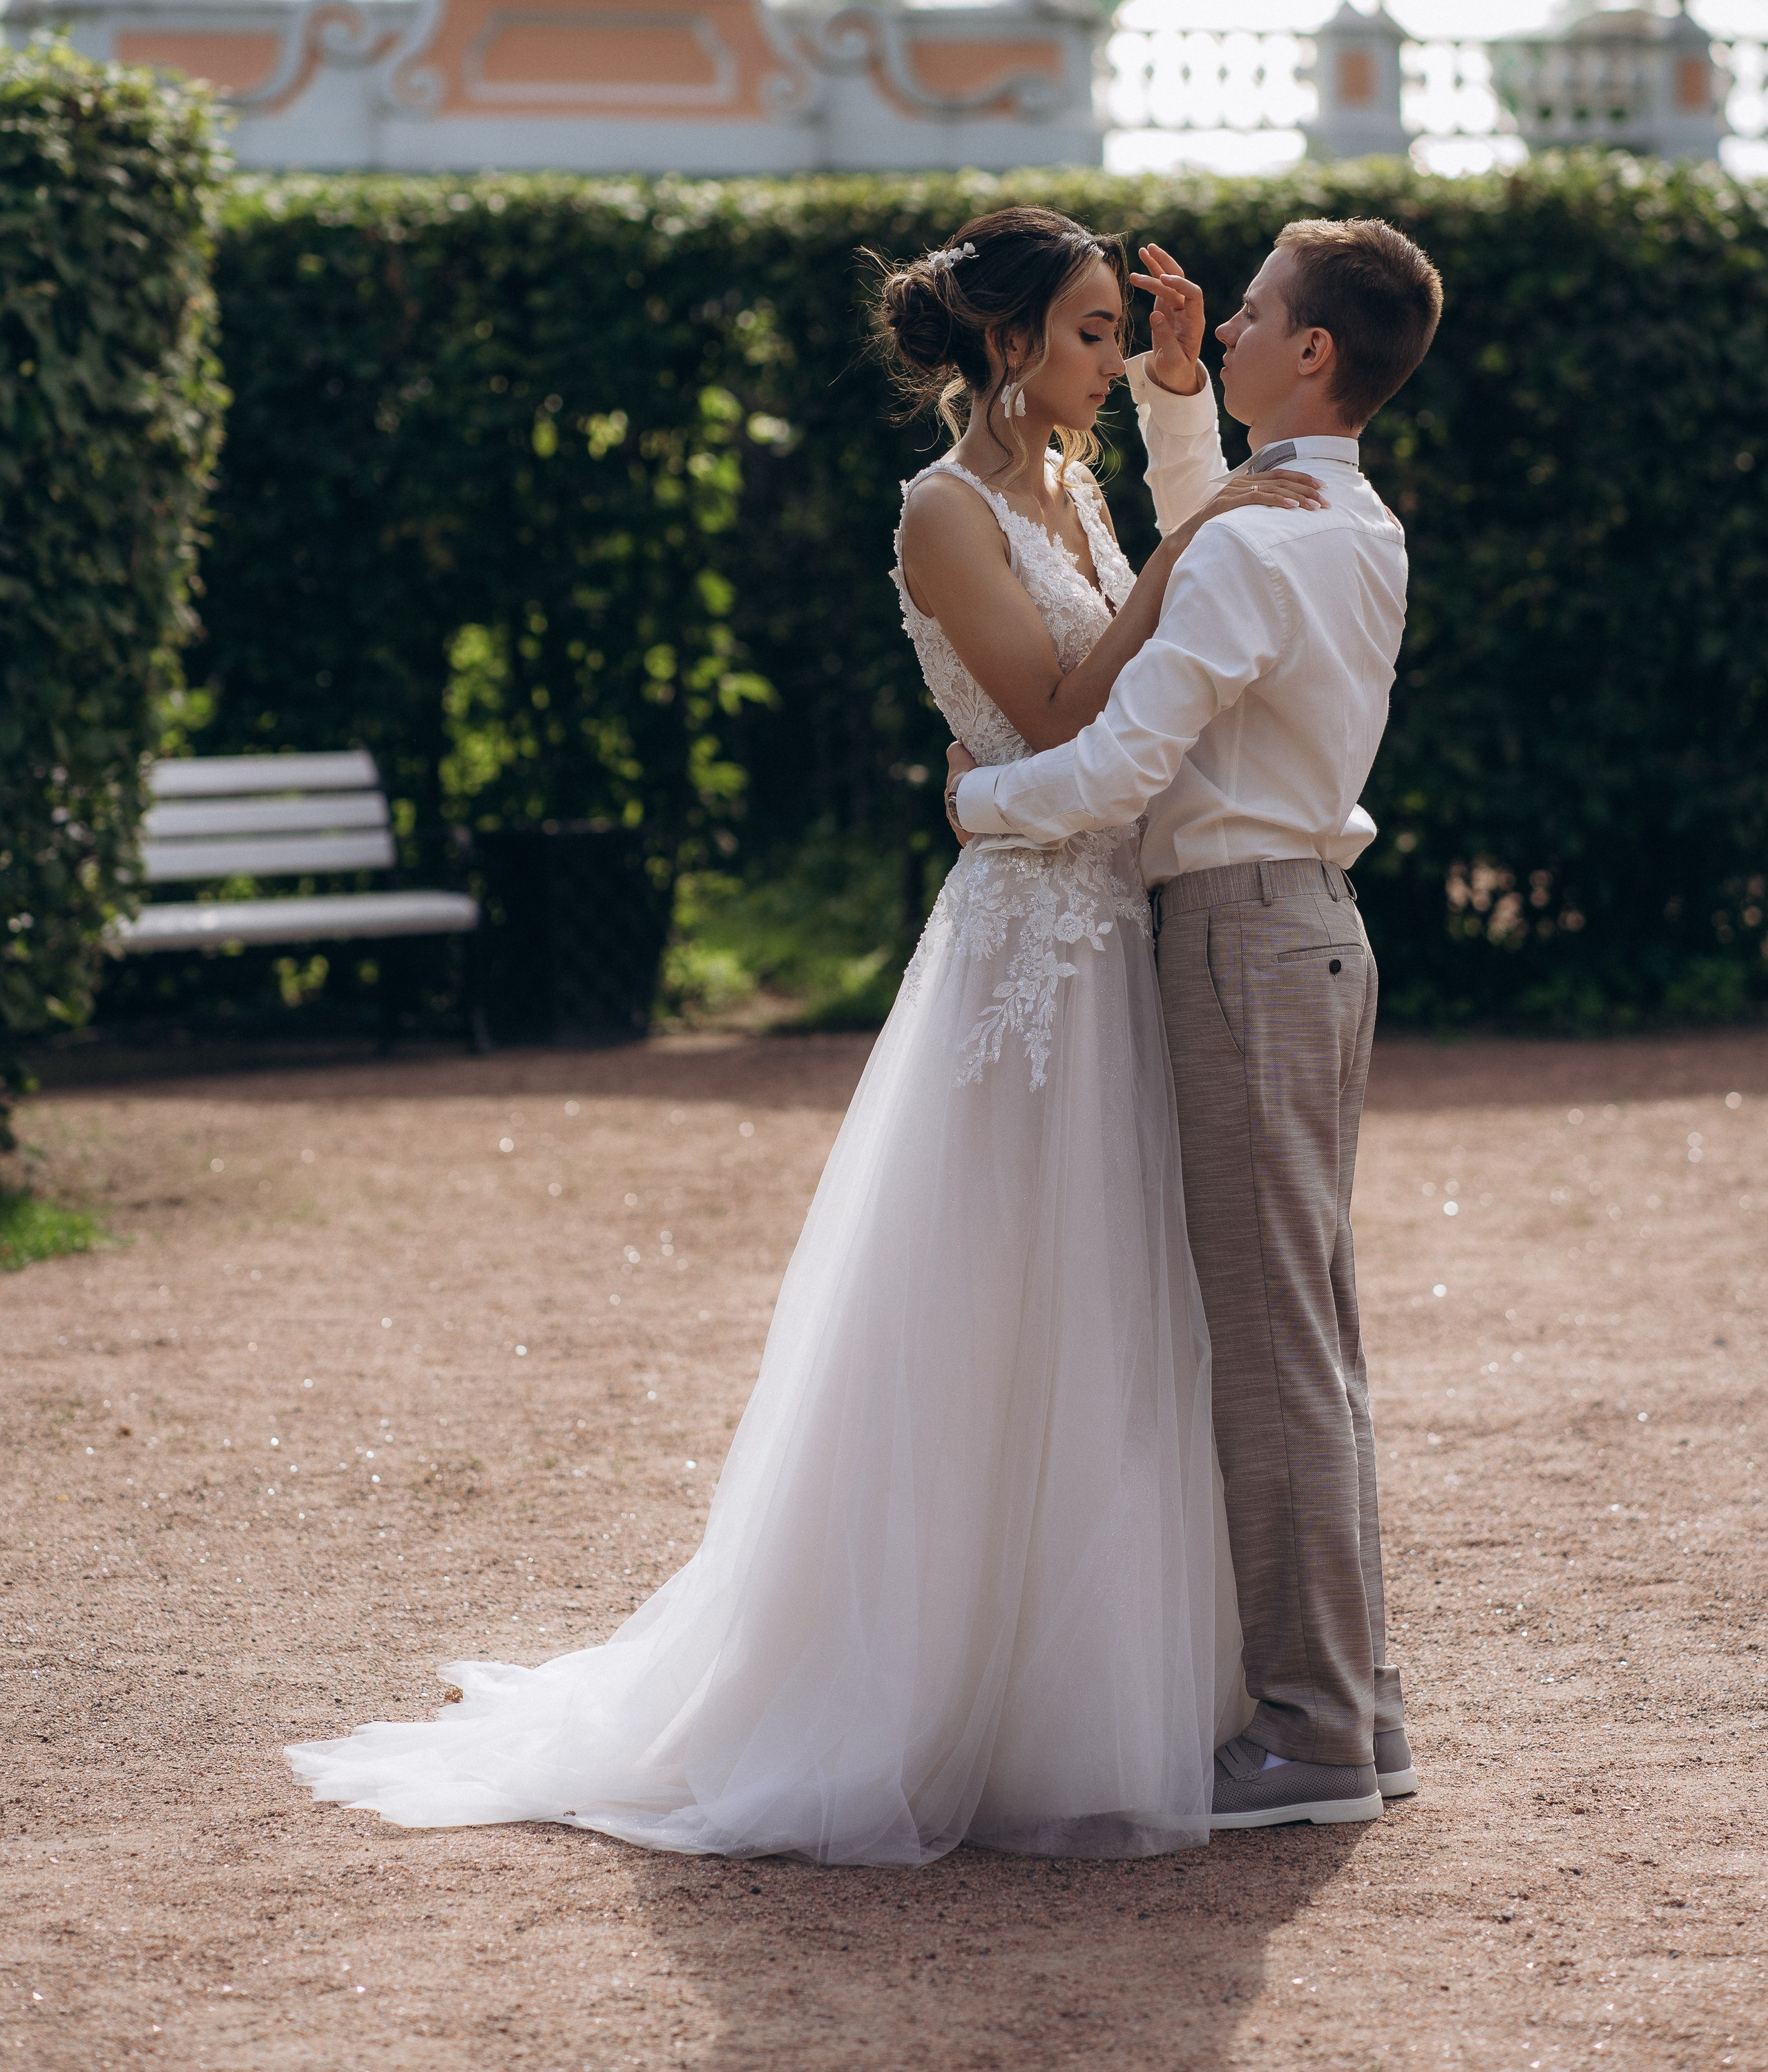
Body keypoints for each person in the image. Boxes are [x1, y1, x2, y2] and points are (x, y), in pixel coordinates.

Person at [285, 205, 1317, 1863]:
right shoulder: (939, 514)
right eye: (1085, 332)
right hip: (1021, 956)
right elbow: (1061, 714)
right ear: (1002, 346)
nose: (1108, 357)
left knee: (1123, 1305)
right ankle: (916, 1695)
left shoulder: (1077, 483)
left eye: (1111, 334)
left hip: (1110, 929)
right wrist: (1189, 562)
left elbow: (1129, 685)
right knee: (991, 1307)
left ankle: (1100, 1690)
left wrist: (1177, 432)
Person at [948, 215, 1443, 1832]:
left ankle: (1305, 1731)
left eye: (1241, 314)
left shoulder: (1258, 538)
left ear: (1307, 352)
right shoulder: (1336, 517)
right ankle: (1350, 1713)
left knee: (1272, 1353)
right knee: (1314, 1336)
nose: (1205, 323)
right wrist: (1178, 408)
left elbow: (1115, 766)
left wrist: (976, 804)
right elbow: (1204, 556)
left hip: (1237, 941)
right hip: (1311, 935)